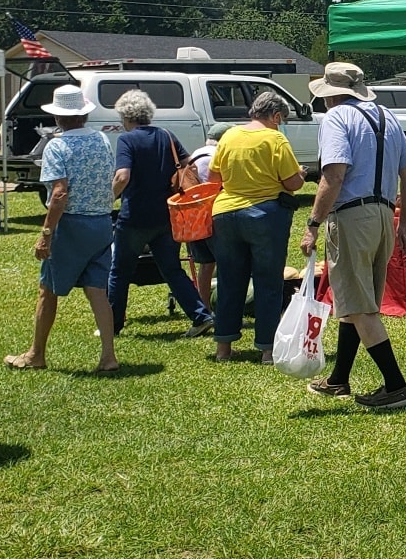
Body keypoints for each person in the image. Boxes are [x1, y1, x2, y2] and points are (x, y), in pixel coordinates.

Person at [299, 62, 406, 410]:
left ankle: (396, 385)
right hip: (384, 214)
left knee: (360, 305)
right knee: (356, 301)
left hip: (353, 215)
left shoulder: (337, 119)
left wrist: (312, 223)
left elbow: (334, 175)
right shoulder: (388, 117)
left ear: (331, 95)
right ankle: (339, 379)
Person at [5, 84, 119, 373]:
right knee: (97, 290)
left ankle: (36, 354)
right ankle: (108, 356)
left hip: (72, 225)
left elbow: (59, 193)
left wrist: (46, 234)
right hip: (102, 222)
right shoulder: (102, 140)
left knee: (48, 290)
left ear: (58, 117)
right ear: (83, 114)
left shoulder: (57, 145)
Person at [105, 88, 215, 339]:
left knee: (119, 271)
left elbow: (122, 176)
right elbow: (190, 165)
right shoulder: (166, 135)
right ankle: (201, 315)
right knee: (172, 269)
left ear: (126, 116)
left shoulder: (127, 140)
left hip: (134, 217)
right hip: (167, 215)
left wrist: (108, 199)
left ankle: (112, 325)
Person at [206, 91, 304, 362]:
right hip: (264, 215)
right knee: (268, 281)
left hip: (225, 213)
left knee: (229, 280)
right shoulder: (274, 139)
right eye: (281, 119)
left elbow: (213, 177)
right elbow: (293, 183)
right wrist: (300, 175)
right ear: (274, 116)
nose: (280, 123)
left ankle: (223, 348)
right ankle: (267, 349)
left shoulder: (229, 136)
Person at [183, 125, 225, 311]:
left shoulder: (195, 154)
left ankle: (204, 307)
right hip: (216, 213)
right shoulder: (221, 154)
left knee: (206, 265)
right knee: (227, 261)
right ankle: (227, 306)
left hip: (195, 216)